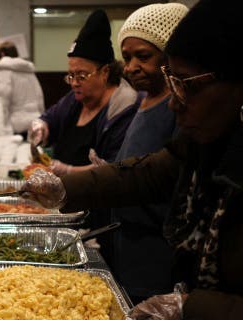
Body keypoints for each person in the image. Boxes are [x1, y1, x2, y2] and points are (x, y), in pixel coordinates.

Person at [21, 0, 243, 318]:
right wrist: (66, 187)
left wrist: (192, 307)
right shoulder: (225, 127)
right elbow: (153, 172)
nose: (173, 103)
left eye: (184, 84)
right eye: (171, 81)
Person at [101, 2, 188, 304]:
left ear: (172, 57)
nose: (131, 67)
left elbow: (166, 184)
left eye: (143, 56)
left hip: (157, 256)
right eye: (126, 58)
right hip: (127, 249)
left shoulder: (179, 111)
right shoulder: (144, 100)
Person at [28, 9, 140, 176]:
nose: (74, 83)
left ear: (105, 72)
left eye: (82, 76)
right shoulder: (76, 99)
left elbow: (114, 166)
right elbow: (51, 117)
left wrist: (68, 171)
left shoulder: (124, 107)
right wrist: (41, 126)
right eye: (71, 75)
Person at [0, 41, 45, 138]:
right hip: (34, 123)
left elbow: (0, 103)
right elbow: (40, 100)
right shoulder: (29, 72)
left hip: (14, 126)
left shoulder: (4, 71)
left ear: (2, 54)